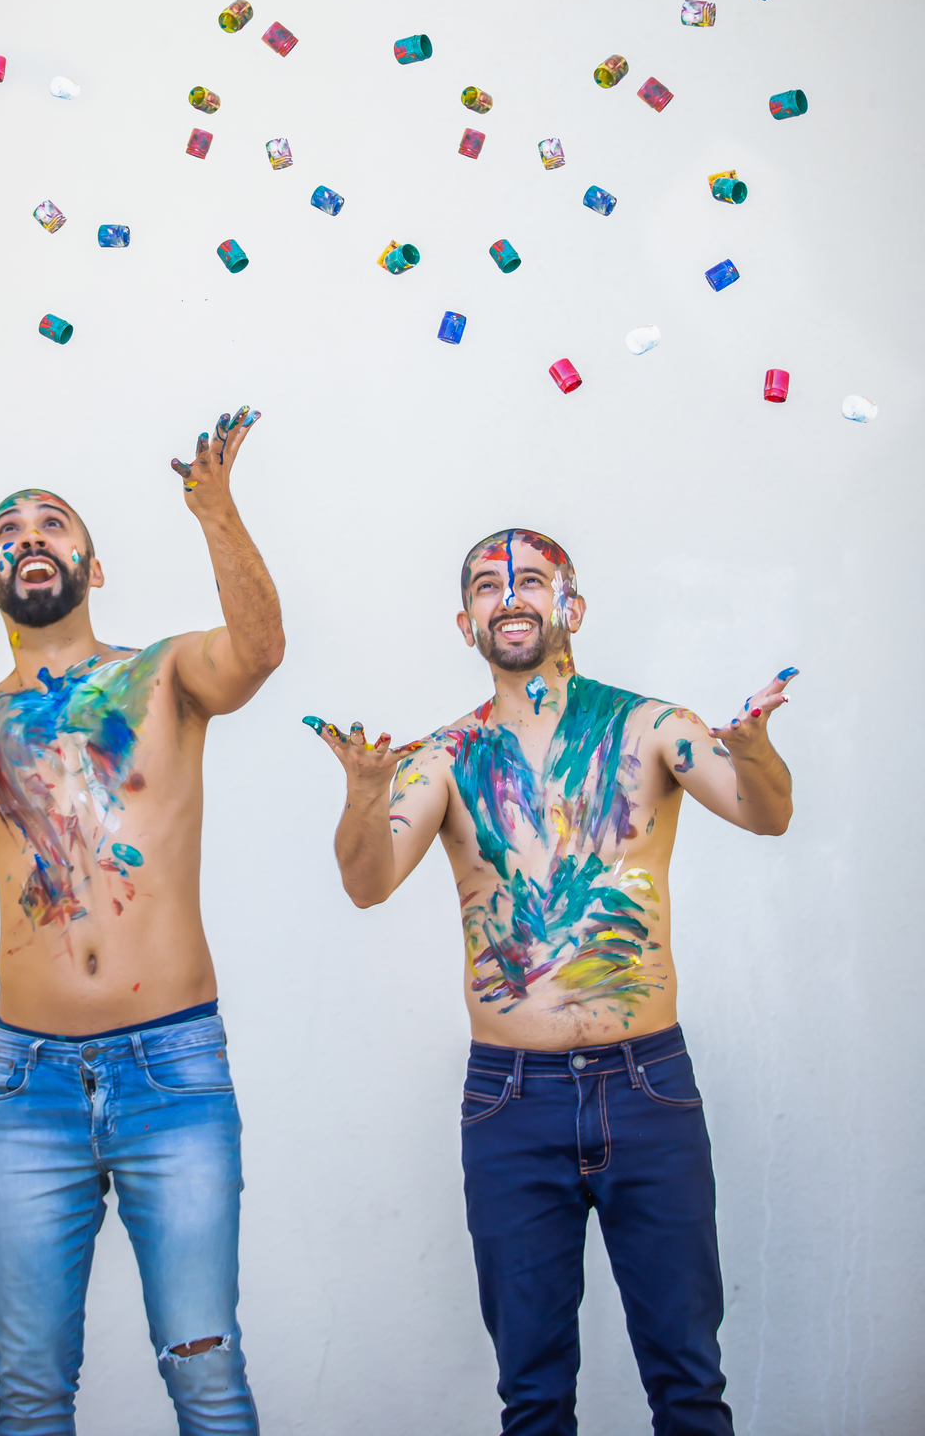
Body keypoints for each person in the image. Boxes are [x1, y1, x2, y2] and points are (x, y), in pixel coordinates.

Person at [305, 527, 796, 1436]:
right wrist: (365, 793)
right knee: (532, 1395)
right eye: (490, 588)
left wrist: (755, 748)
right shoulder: (441, 757)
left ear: (572, 605)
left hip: (647, 1086)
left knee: (688, 1379)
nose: (512, 597)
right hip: (511, 1102)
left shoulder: (655, 728)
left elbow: (767, 816)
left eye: (532, 579)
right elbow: (366, 883)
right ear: (466, 623)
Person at [0, 407, 283, 1436]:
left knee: (205, 1372)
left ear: (94, 567)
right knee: (31, 1388)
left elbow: (260, 650)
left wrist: (217, 513)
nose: (28, 537)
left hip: (170, 1075)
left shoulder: (167, 673)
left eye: (51, 524)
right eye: (9, 531)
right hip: (27, 1091)